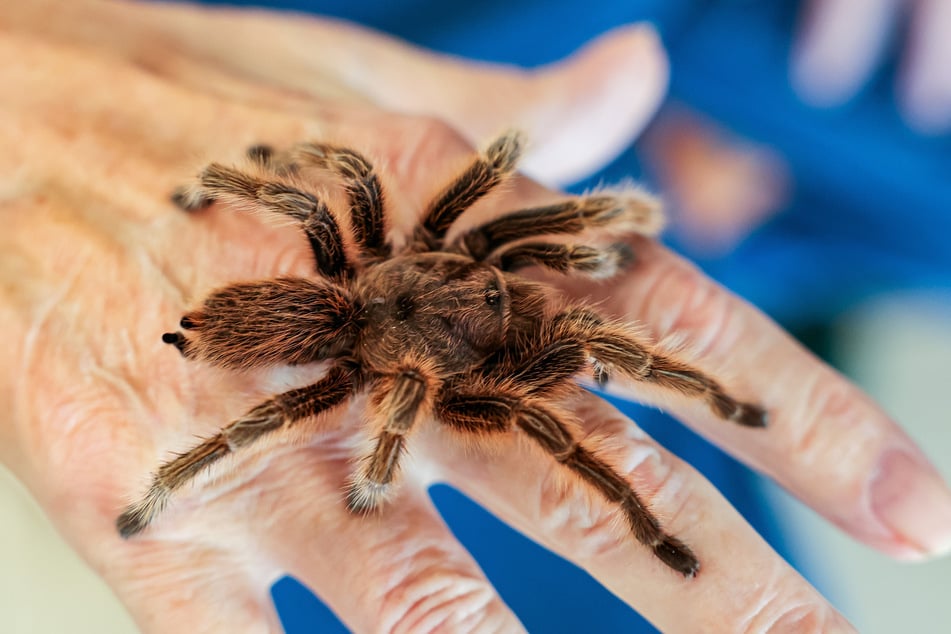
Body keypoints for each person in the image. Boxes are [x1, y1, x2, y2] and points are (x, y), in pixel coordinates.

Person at [1, 1, 948, 632]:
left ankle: (676, 178)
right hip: (336, 41)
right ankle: (685, 191)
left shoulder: (435, 264)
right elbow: (409, 365)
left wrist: (615, 213)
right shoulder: (418, 358)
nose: (503, 290)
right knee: (487, 533)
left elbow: (447, 187)